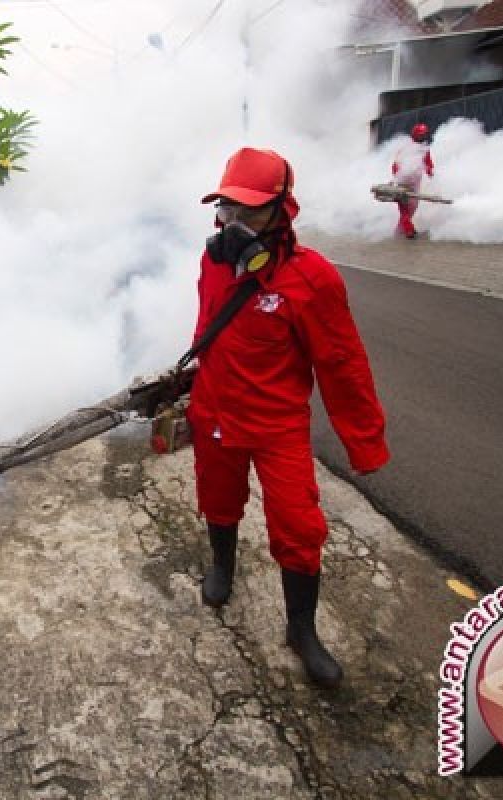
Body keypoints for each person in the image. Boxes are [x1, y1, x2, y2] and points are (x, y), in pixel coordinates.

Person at [187, 147, 389, 689]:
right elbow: (208, 328)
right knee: (218, 498)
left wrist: (364, 443)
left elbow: (342, 364)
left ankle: (302, 632)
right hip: (214, 411)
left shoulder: (313, 278)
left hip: (277, 426)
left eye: (250, 211)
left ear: (283, 209)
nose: (235, 222)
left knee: (300, 527)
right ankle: (224, 568)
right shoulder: (211, 260)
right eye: (229, 207)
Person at [391, 123, 435, 239]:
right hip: (402, 183)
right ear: (415, 134)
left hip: (415, 184)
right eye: (421, 134)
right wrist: (396, 178)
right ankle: (409, 231)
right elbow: (395, 165)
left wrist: (431, 174)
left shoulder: (424, 149)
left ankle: (399, 232)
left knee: (412, 208)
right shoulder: (406, 148)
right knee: (404, 208)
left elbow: (428, 164)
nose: (423, 137)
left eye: (424, 134)